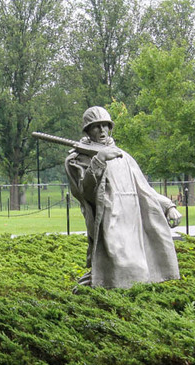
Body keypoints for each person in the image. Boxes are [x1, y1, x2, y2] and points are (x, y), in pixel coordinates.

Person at [65, 106, 182, 288]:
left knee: (138, 269)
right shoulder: (77, 159)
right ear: (88, 130)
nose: (102, 130)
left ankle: (119, 294)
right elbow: (84, 192)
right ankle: (96, 287)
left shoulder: (124, 157)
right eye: (96, 126)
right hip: (107, 220)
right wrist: (98, 161)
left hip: (132, 219)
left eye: (105, 125)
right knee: (117, 266)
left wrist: (168, 206)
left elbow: (145, 189)